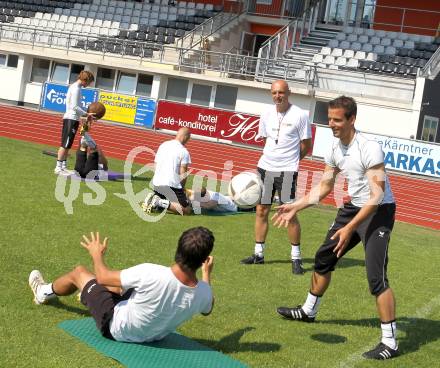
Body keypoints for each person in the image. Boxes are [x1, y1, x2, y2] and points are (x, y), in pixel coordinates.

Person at [273, 96, 399, 360]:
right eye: (330, 119)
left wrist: (350, 228)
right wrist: (296, 206)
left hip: (379, 212)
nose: (332, 124)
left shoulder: (369, 147)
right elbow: (325, 187)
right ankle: (309, 311)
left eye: (338, 119)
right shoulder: (333, 148)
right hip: (354, 208)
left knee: (376, 276)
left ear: (352, 119)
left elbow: (376, 196)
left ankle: (390, 342)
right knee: (323, 258)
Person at [28, 227, 215, 343]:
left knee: (79, 273)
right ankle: (90, 293)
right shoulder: (204, 293)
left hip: (117, 328)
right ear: (204, 260)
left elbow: (102, 277)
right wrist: (206, 275)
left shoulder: (151, 272)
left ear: (178, 248)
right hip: (155, 336)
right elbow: (207, 309)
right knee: (123, 286)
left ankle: (42, 292)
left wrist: (96, 253)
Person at [240, 80, 312, 275]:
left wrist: (292, 161)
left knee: (290, 213)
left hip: (287, 171)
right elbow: (266, 140)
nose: (277, 96)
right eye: (274, 93)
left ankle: (296, 258)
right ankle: (258, 254)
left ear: (288, 93)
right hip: (265, 168)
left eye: (281, 92)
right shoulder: (266, 113)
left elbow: (306, 144)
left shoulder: (300, 115)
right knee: (262, 210)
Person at [142, 128, 192, 215]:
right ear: (185, 137)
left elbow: (156, 165)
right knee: (186, 209)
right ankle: (158, 202)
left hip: (157, 184)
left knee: (165, 203)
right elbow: (183, 173)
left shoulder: (163, 145)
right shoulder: (184, 152)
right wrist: (182, 188)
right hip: (171, 185)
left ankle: (155, 199)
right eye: (188, 139)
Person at [55, 70, 95, 175]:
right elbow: (75, 107)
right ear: (85, 80)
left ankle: (63, 166)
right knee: (65, 144)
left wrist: (83, 116)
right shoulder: (76, 89)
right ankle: (58, 167)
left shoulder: (76, 87)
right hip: (70, 118)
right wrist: (87, 114)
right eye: (89, 82)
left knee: (68, 144)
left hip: (73, 118)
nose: (89, 84)